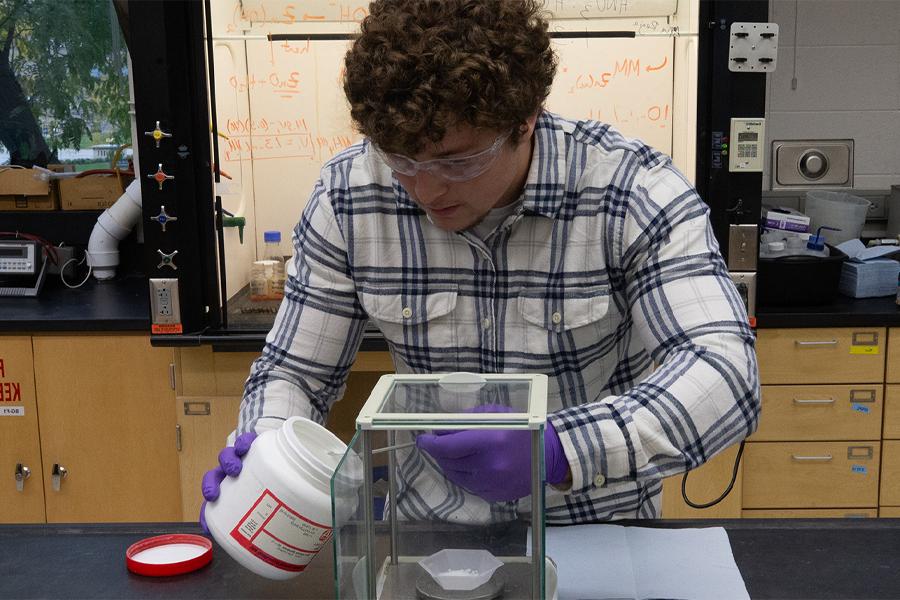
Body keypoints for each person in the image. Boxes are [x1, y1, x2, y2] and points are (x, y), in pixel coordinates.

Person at [202, 0, 760, 527]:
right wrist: (267, 451)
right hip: (428, 536)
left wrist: (563, 447)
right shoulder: (349, 197)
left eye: (458, 161)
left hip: (598, 532)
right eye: (400, 159)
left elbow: (725, 371)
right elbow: (295, 373)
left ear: (526, 120)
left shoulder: (630, 191)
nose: (425, 189)